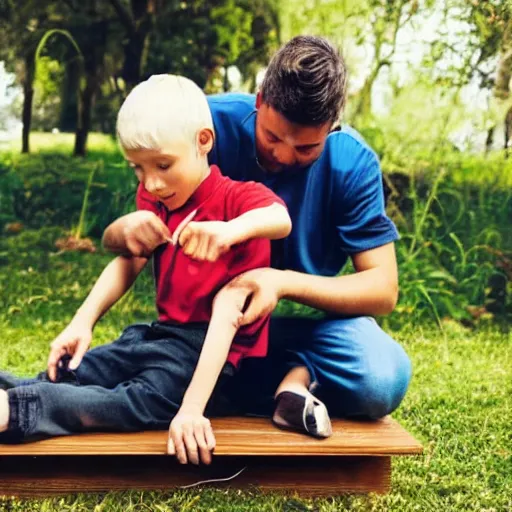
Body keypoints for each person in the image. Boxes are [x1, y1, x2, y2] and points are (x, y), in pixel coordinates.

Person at [0, 74, 291, 466]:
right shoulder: (161, 199)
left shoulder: (236, 199)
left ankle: (15, 411)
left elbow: (279, 218)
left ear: (204, 141)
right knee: (80, 369)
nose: (151, 183)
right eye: (138, 168)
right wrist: (82, 322)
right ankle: (12, 392)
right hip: (156, 338)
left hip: (211, 361)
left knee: (128, 402)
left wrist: (191, 409)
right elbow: (128, 261)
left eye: (163, 165)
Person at [202, 35, 412, 429]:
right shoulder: (207, 127)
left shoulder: (352, 162)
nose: (283, 156)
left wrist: (280, 283)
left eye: (305, 149)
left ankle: (289, 376)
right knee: (162, 370)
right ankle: (287, 383)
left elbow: (383, 289)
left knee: (382, 377)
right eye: (271, 137)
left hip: (300, 331)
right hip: (209, 323)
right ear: (260, 100)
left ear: (332, 127)